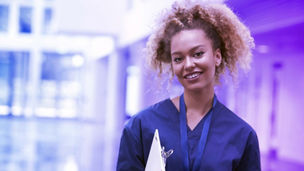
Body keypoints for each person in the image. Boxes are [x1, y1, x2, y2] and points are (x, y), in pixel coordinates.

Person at [117, 1, 261, 171]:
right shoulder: (141, 126)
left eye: (198, 54)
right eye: (178, 58)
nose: (188, 64)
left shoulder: (242, 135)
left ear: (217, 56)